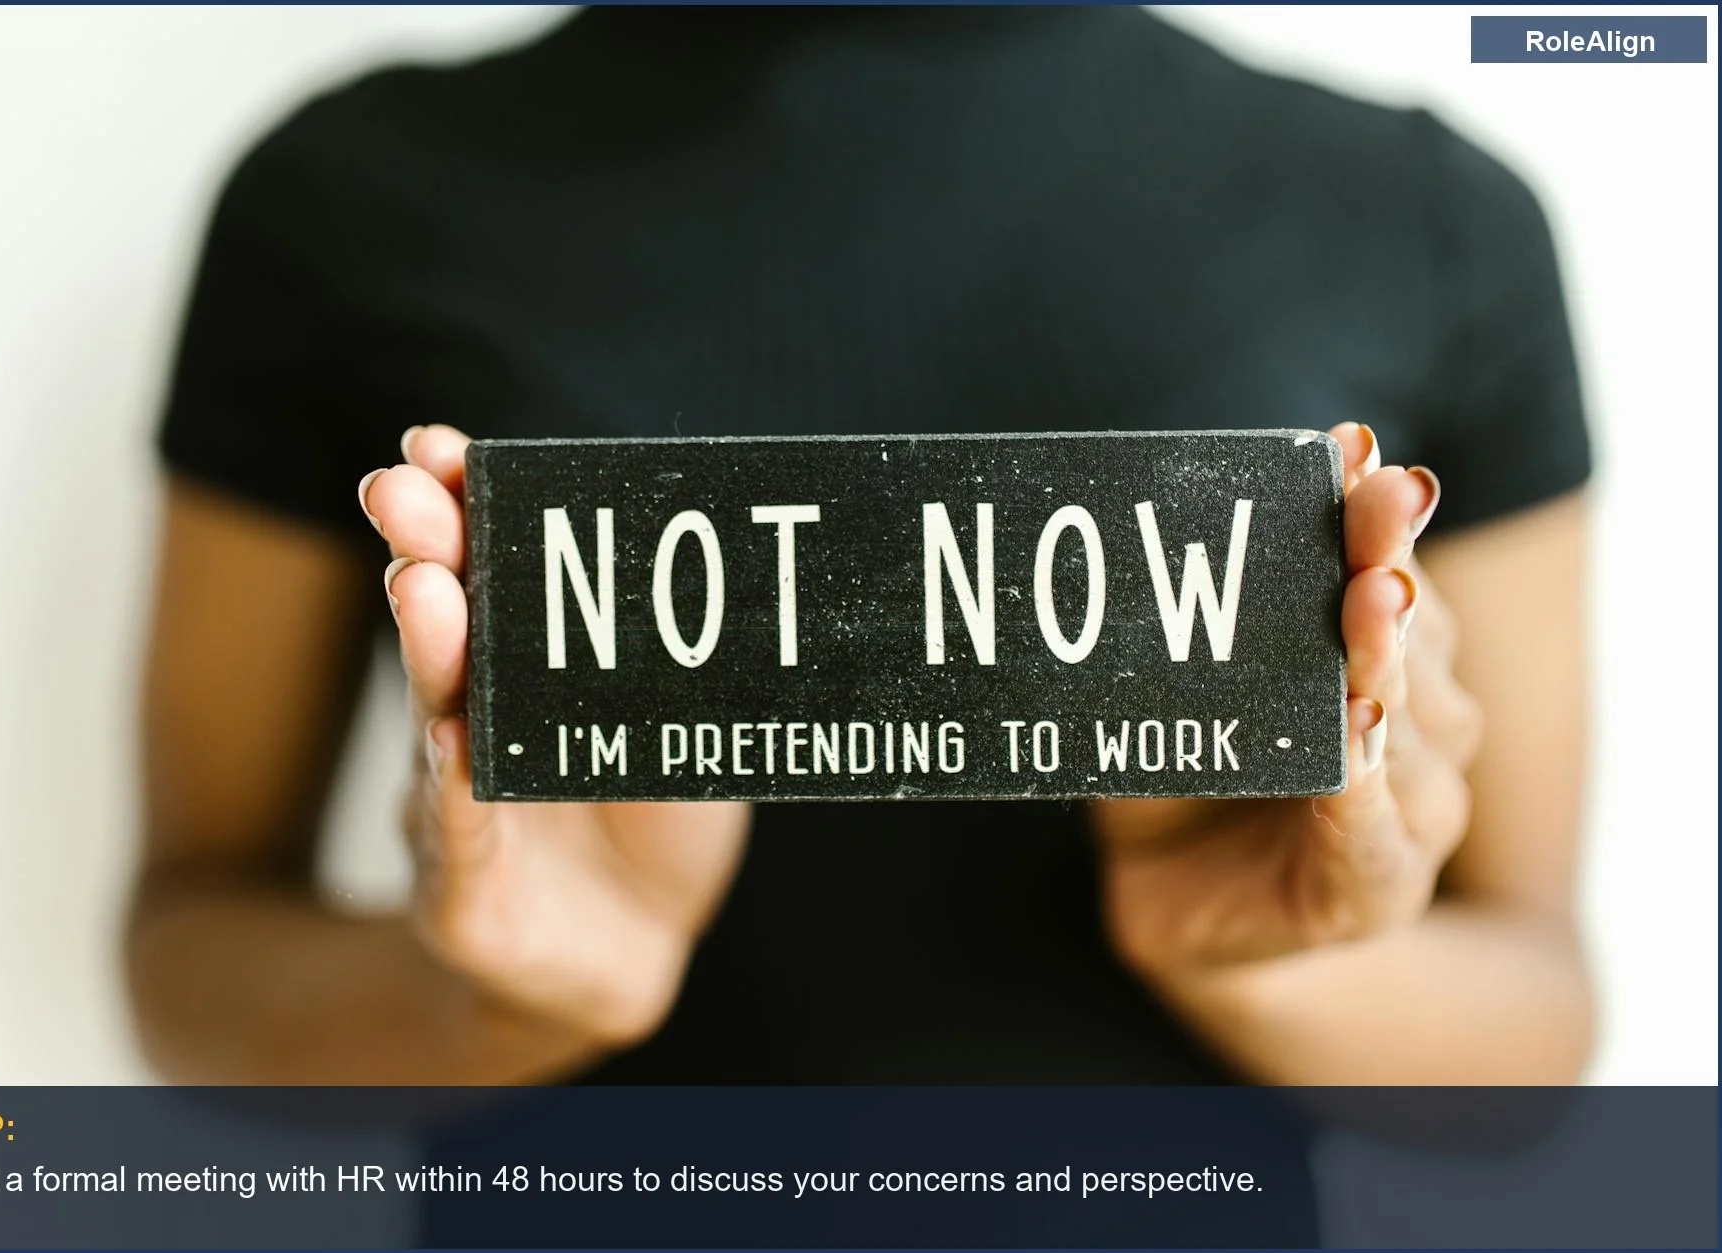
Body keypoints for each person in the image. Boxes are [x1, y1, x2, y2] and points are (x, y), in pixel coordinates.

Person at [129, 8, 1593, 1096]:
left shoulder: (1429, 220)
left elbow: (1541, 1009)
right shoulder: (345, 199)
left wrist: (1274, 962)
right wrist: (508, 996)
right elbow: (185, 943)